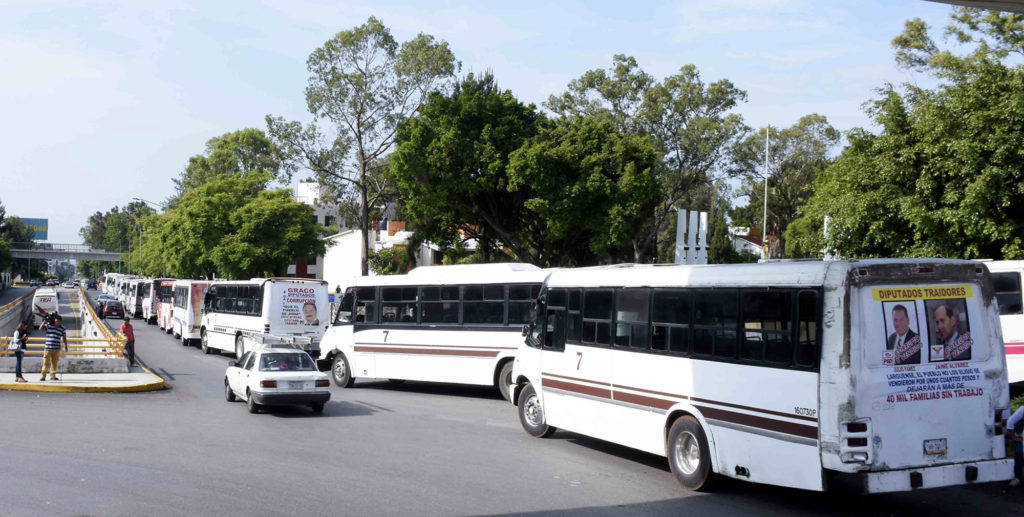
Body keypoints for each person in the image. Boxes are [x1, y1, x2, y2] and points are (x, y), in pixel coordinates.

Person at [38, 313, 68, 381]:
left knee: (54, 363)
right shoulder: (49, 326)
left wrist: (66, 346)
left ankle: (53, 376)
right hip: (48, 348)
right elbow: (40, 328)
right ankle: (43, 376)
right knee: (45, 362)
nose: (58, 323)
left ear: (61, 321)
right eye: (57, 321)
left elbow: (64, 338)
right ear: (54, 320)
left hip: (57, 348)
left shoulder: (62, 328)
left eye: (59, 321)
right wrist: (44, 321)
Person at [1007, 405, 1024, 487]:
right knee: (1019, 454)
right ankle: (1017, 478)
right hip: (1020, 436)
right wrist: (1014, 437)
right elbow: (1010, 421)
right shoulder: (1023, 409)